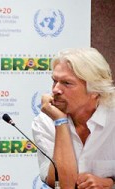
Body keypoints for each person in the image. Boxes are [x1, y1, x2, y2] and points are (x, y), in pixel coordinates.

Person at [32, 47, 115, 189]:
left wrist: (110, 183)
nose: (55, 90)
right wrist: (60, 122)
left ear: (95, 90)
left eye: (67, 83)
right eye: (54, 81)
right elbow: (64, 185)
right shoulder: (45, 121)